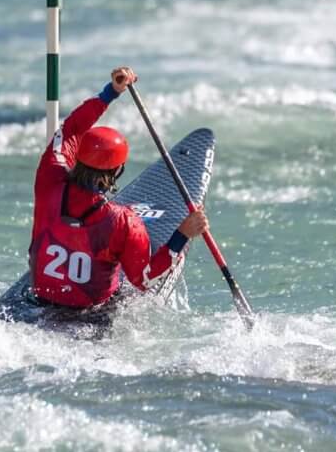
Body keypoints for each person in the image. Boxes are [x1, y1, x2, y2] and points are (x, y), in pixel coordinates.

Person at [26, 66, 209, 310]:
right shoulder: (123, 222)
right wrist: (182, 235)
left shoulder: (49, 177)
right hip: (92, 320)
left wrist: (109, 93)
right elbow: (144, 279)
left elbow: (71, 129)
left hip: (39, 303)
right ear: (115, 171)